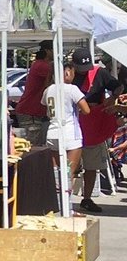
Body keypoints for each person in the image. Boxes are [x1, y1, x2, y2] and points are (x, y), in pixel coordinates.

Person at [72, 50, 125, 214]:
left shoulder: (99, 72)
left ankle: (86, 199)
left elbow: (118, 86)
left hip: (93, 121)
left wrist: (112, 97)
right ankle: (64, 200)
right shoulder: (67, 73)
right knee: (69, 165)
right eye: (81, 67)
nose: (84, 70)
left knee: (92, 164)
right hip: (72, 121)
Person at [44, 61, 90, 194]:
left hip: (52, 132)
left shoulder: (49, 89)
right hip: (70, 134)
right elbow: (86, 110)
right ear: (67, 72)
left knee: (56, 173)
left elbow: (45, 106)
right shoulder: (72, 89)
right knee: (68, 172)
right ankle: (67, 207)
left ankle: (56, 204)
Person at [15, 42, 53, 148]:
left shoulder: (38, 64)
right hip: (30, 111)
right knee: (31, 146)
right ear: (47, 51)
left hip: (32, 111)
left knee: (34, 144)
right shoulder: (43, 66)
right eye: (54, 50)